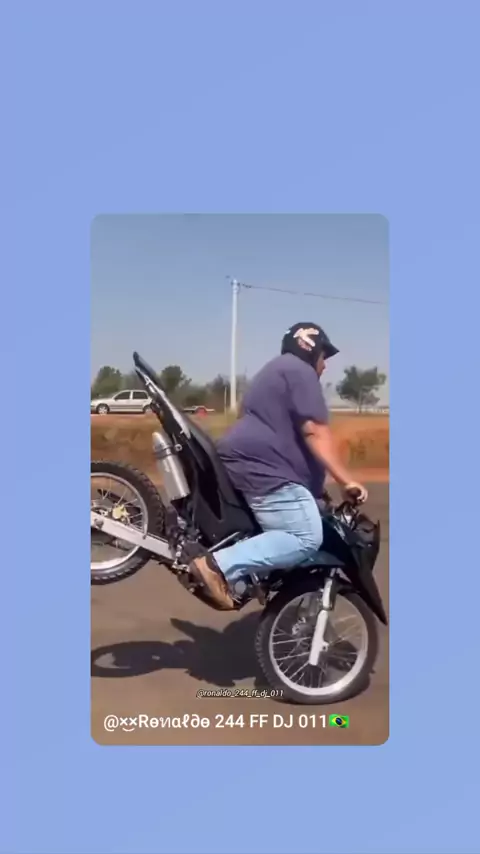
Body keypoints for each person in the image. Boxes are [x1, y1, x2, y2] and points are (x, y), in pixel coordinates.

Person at [189, 322, 368, 609]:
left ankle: (243, 579)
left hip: (254, 465)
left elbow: (287, 436)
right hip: (265, 469)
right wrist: (347, 480)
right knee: (305, 537)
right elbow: (314, 431)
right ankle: (217, 565)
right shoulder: (300, 372)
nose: (324, 366)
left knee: (295, 525)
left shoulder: (274, 371)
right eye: (324, 357)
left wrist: (318, 491)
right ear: (310, 348)